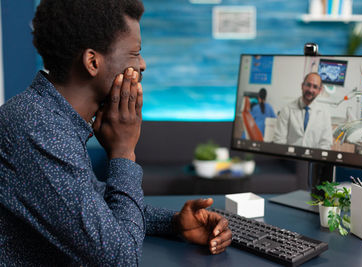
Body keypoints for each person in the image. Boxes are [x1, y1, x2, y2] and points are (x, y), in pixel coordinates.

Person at [0, 0, 231, 266]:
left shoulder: (48, 117)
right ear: (92, 62)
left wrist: (175, 223)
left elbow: (97, 206)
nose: (142, 65)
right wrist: (123, 151)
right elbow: (120, 258)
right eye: (135, 53)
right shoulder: (40, 130)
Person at [273, 72, 332, 149]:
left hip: (313, 159)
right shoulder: (287, 110)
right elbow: (279, 140)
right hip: (290, 158)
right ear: (302, 86)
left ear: (319, 90)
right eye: (308, 85)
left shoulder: (324, 114)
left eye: (315, 87)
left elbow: (325, 144)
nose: (310, 90)